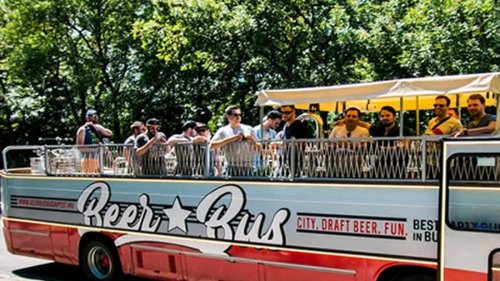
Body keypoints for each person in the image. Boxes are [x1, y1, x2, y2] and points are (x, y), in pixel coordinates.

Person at [210, 105, 255, 176]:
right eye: (235, 115)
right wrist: (233, 138)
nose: (238, 117)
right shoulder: (223, 130)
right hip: (230, 167)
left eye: (240, 115)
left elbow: (258, 147)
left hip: (247, 167)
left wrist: (251, 139)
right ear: (228, 116)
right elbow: (212, 146)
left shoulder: (248, 129)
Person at [368, 106, 410, 178]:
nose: (384, 118)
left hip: (398, 165)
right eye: (382, 116)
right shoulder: (377, 129)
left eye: (388, 115)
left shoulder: (402, 130)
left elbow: (405, 146)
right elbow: (365, 125)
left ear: (394, 117)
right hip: (380, 165)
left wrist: (383, 148)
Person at [328, 107, 369, 178]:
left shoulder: (364, 130)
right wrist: (352, 144)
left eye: (354, 116)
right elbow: (329, 143)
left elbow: (364, 146)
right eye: (348, 116)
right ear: (345, 117)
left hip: (354, 157)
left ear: (358, 118)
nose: (351, 118)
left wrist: (344, 144)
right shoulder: (337, 128)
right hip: (336, 157)